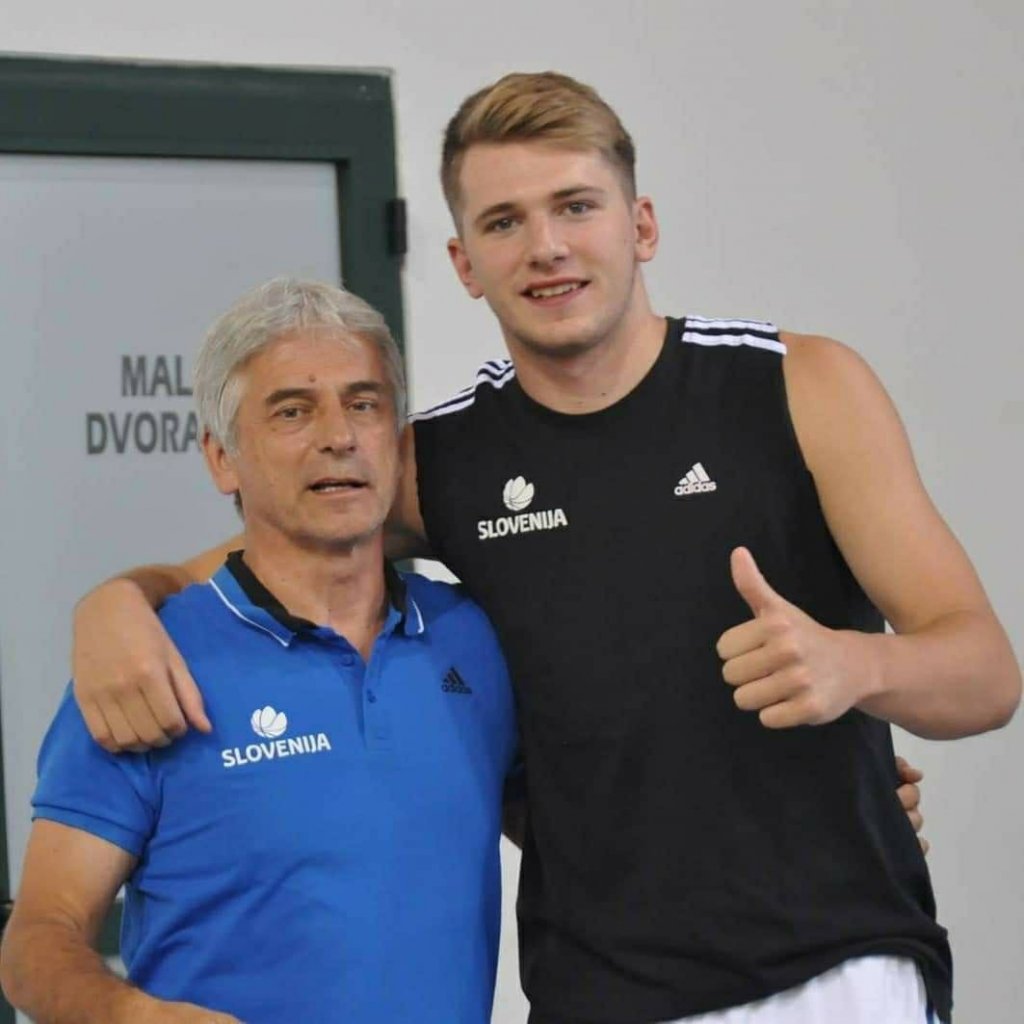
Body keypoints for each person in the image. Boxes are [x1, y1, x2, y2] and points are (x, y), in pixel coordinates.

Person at [67, 73, 1019, 1024]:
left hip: (833, 970)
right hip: (596, 995)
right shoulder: (440, 462)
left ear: (641, 225)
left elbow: (985, 674)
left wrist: (855, 667)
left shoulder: (799, 386)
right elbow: (257, 557)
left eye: (576, 206)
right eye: (504, 222)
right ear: (464, 262)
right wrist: (111, 606)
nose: (547, 247)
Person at [0, 279, 518, 1024]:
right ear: (222, 459)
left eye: (364, 404)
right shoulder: (148, 661)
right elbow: (37, 941)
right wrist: (135, 1018)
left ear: (398, 443)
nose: (339, 435)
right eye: (292, 411)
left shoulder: (473, 637)